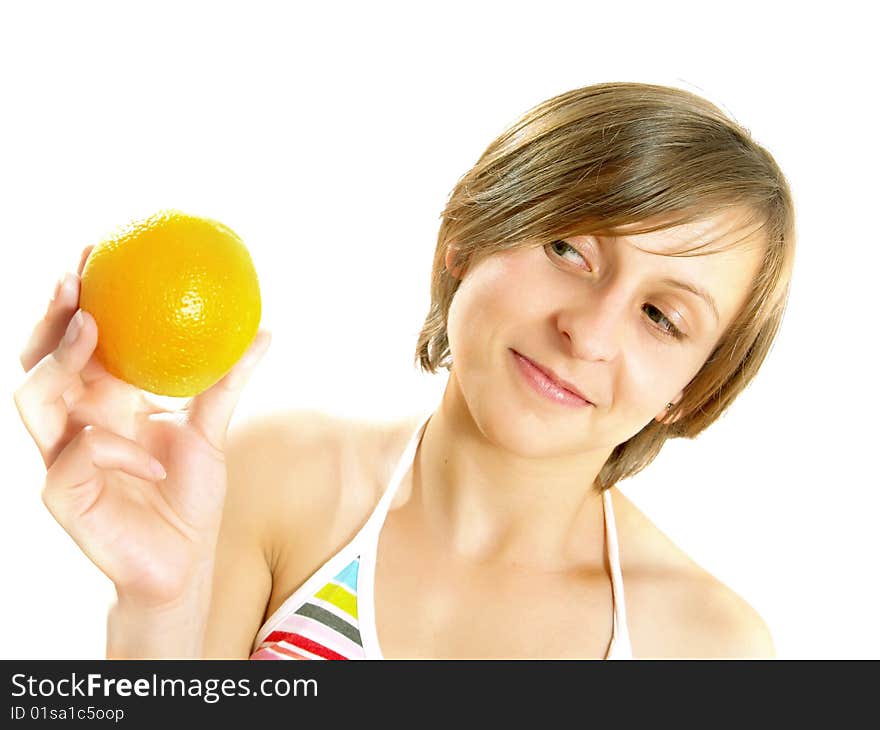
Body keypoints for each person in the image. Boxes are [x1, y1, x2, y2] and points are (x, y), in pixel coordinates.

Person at [14, 81, 796, 660]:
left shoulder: (709, 647)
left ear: (690, 391)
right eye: (568, 248)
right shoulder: (278, 482)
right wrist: (158, 603)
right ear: (466, 237)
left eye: (662, 317)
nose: (587, 332)